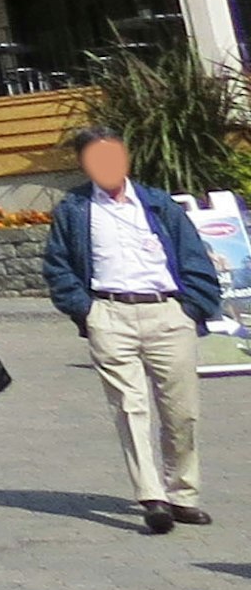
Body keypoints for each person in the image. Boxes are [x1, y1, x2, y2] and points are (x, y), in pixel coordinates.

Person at [40, 123, 227, 531]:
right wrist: (85, 310)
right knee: (130, 407)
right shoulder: (74, 210)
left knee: (182, 412)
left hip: (167, 313)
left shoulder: (157, 203)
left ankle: (183, 493)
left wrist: (193, 307)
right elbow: (58, 266)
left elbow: (193, 256)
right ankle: (152, 496)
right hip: (110, 313)